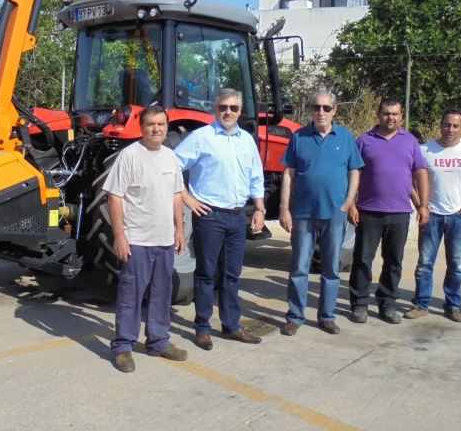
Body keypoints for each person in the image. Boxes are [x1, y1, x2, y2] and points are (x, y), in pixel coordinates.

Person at [174, 88, 266, 350]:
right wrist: (187, 197)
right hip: (210, 216)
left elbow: (256, 176)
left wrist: (259, 209)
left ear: (240, 111)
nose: (228, 112)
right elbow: (171, 165)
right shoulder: (201, 137)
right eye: (222, 107)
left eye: (233, 108)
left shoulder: (246, 140)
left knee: (232, 275)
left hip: (237, 218)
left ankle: (231, 325)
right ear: (215, 109)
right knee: (205, 275)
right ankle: (203, 327)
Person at [104, 105, 189, 373]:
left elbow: (177, 194)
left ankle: (159, 341)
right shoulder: (129, 156)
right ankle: (123, 347)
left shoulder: (170, 157)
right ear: (142, 127)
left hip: (164, 240)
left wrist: (179, 229)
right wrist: (120, 235)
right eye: (151, 124)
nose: (156, 129)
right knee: (131, 296)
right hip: (137, 240)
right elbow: (114, 196)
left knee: (162, 295)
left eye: (161, 124)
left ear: (167, 127)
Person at [279, 91, 364, 336]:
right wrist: (285, 209)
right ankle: (295, 317)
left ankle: (326, 316)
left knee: (331, 269)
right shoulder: (299, 136)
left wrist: (348, 203)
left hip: (335, 213)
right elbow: (288, 174)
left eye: (326, 108)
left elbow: (354, 172)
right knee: (299, 267)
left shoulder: (346, 137)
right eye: (316, 107)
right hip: (303, 213)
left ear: (334, 111)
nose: (321, 112)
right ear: (311, 110)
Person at [348, 98, 430, 325]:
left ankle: (387, 303)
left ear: (401, 116)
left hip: (400, 213)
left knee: (394, 261)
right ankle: (359, 304)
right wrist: (351, 204)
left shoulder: (410, 141)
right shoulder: (364, 140)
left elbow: (420, 173)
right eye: (386, 113)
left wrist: (423, 204)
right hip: (368, 211)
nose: (390, 117)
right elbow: (352, 173)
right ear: (379, 114)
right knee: (363, 260)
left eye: (394, 114)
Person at [404, 108, 461, 323]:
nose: (451, 129)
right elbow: (409, 180)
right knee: (425, 264)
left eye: (456, 126)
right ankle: (421, 304)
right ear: (440, 126)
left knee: (457, 265)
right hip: (431, 216)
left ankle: (452, 306)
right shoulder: (425, 150)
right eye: (447, 125)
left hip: (458, 217)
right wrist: (421, 205)